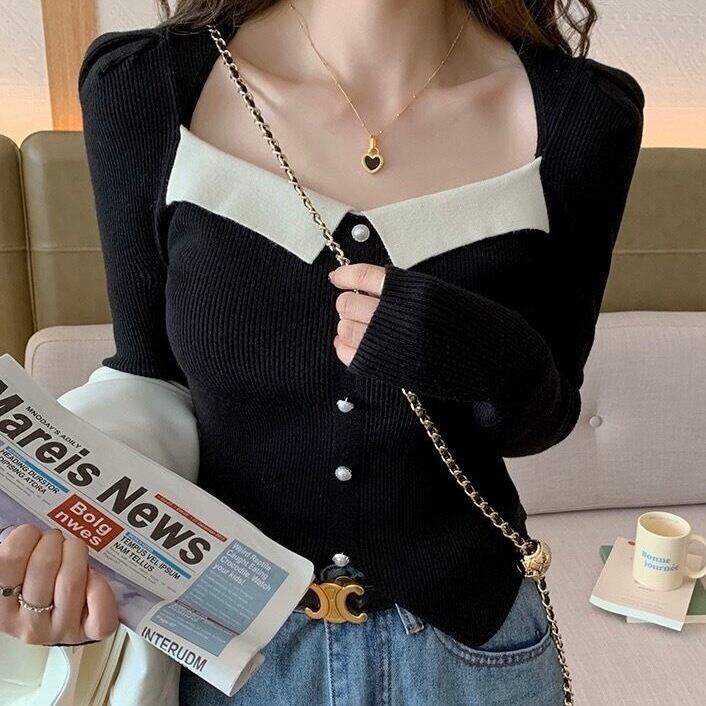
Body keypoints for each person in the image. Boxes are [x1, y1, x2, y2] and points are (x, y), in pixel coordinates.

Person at [0, 1, 645, 704]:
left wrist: (485, 352)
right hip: (234, 660)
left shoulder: (584, 114)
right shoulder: (146, 84)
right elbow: (147, 376)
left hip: (475, 653)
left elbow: (543, 416)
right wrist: (74, 543)